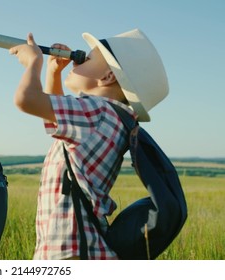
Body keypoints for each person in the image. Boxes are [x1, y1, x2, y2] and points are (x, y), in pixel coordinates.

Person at [9, 29, 169, 259]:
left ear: (107, 77)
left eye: (87, 58)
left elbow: (27, 99)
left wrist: (34, 62)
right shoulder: (109, 116)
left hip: (71, 249)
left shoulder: (97, 110)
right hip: (81, 247)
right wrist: (53, 72)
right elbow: (60, 124)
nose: (78, 58)